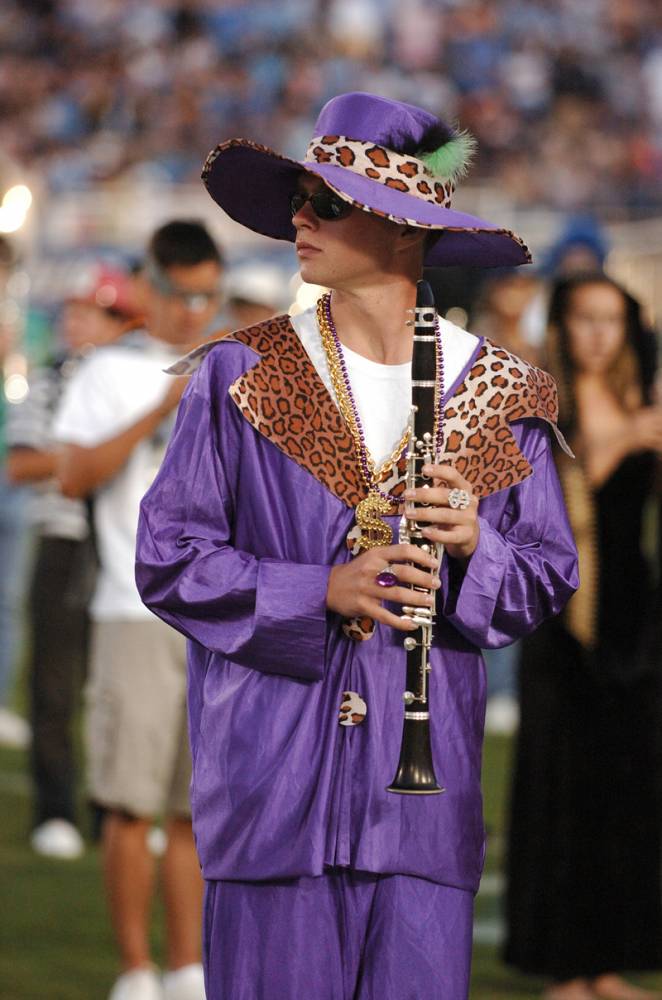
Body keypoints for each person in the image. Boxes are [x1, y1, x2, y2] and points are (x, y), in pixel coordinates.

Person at [136, 92, 579, 1000]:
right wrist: (317, 590)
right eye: (304, 195)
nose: (301, 216)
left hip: (421, 804)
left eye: (327, 200)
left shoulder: (504, 394)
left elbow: (544, 578)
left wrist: (475, 548)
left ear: (406, 227)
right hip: (271, 789)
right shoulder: (241, 372)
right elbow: (168, 554)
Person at [53, 221, 225, 1000]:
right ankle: (134, 968)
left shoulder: (230, 366)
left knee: (196, 806)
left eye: (206, 296)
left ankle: (188, 966)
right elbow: (73, 476)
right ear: (150, 285)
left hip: (214, 614)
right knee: (129, 802)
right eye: (181, 293)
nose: (194, 310)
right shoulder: (108, 372)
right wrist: (165, 402)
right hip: (132, 605)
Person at [505, 274, 662, 1000]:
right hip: (563, 614)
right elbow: (567, 501)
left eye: (611, 320)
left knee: (623, 791)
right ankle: (563, 964)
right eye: (585, 319)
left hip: (634, 614)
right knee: (560, 787)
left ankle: (606, 961)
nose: (599, 333)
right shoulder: (547, 406)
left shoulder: (641, 401)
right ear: (563, 327)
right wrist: (629, 437)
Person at [6, 265, 138, 859]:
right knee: (55, 687)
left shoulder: (138, 379)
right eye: (75, 310)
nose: (75, 321)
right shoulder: (54, 379)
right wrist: (93, 458)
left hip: (128, 544)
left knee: (117, 687)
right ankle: (57, 809)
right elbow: (22, 464)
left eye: (92, 311)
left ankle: (120, 810)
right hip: (64, 545)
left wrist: (89, 456)